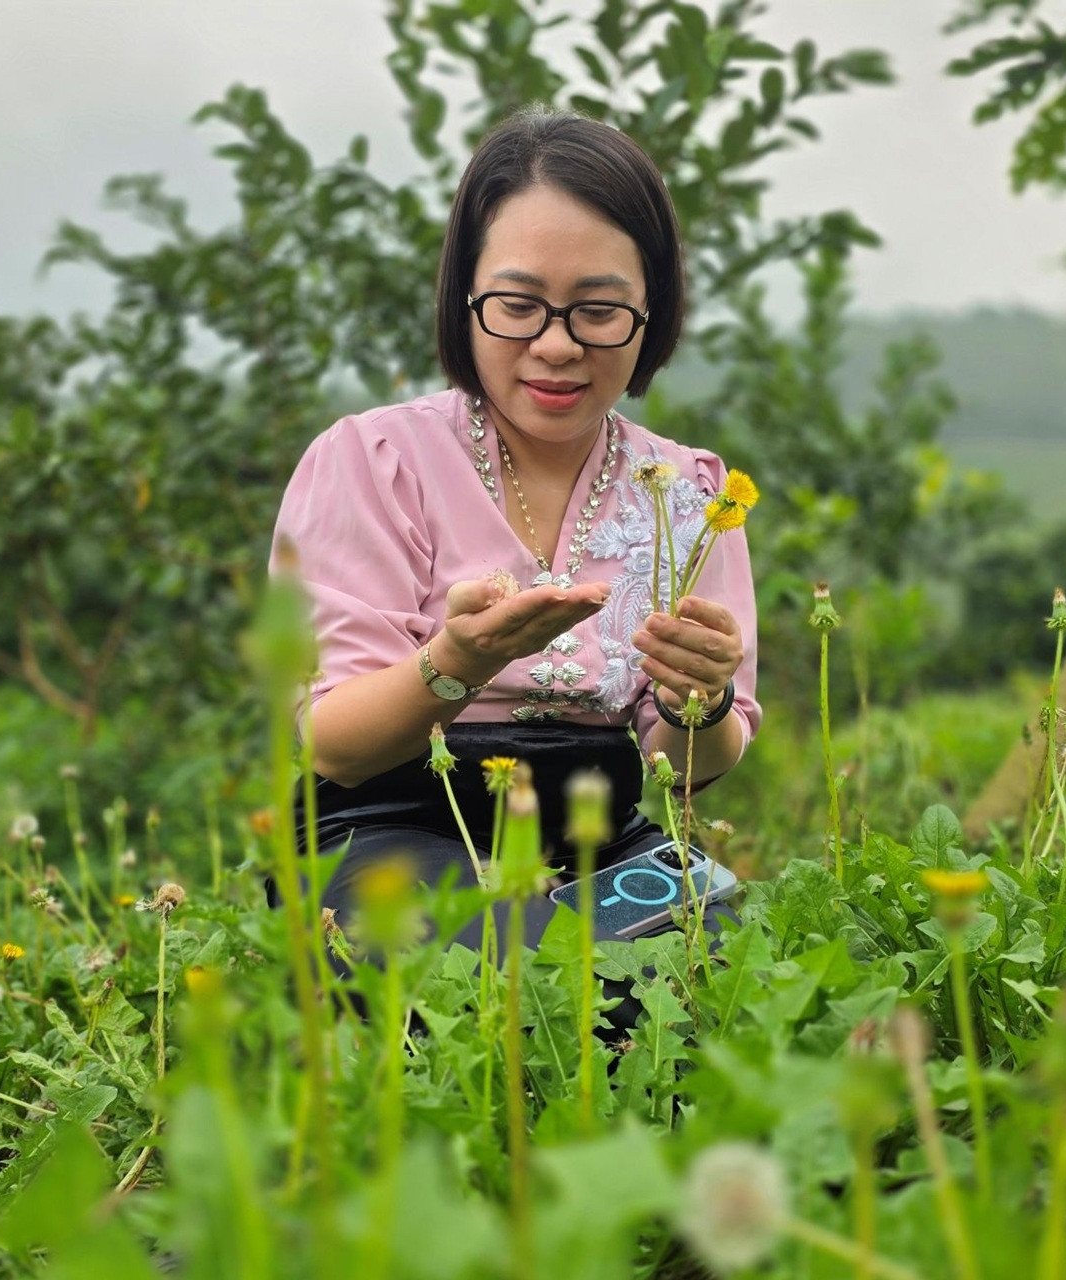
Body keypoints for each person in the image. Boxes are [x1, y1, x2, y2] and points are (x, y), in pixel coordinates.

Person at [272, 107, 760, 949]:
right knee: (504, 966)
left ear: (653, 312)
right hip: (391, 829)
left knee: (723, 969)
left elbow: (689, 768)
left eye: (599, 312)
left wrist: (700, 702)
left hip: (594, 840)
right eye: (519, 305)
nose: (557, 346)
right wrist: (458, 663)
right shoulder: (374, 459)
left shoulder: (688, 495)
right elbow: (334, 746)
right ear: (466, 299)